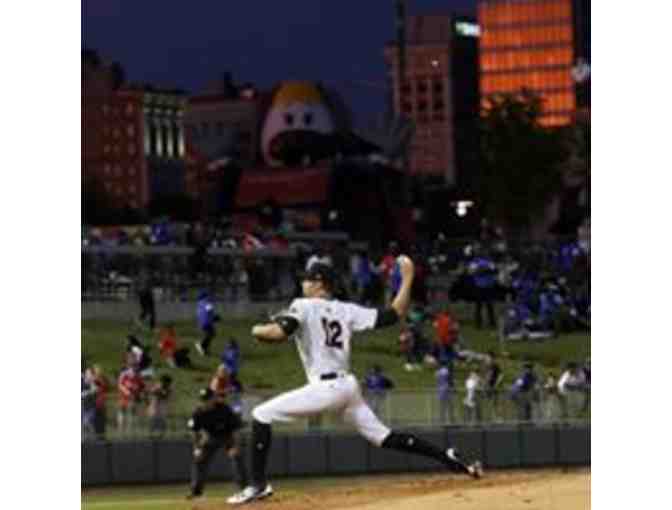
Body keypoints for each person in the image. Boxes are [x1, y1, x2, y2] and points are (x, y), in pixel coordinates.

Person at [227, 258, 483, 505]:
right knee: (384, 436)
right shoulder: (347, 309)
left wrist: (256, 330)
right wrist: (407, 279)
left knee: (261, 414)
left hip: (326, 388)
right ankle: (449, 459)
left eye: (307, 280)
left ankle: (257, 486)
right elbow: (394, 314)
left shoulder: (303, 305)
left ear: (319, 284)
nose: (303, 284)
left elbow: (277, 333)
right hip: (347, 388)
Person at [187, 388, 250, 503]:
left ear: (213, 399)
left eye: (208, 399)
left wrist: (236, 446)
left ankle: (245, 490)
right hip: (210, 437)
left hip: (228, 436)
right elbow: (194, 432)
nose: (205, 402)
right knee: (199, 460)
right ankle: (196, 492)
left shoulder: (224, 409)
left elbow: (236, 429)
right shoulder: (198, 412)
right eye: (203, 400)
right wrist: (197, 448)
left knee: (236, 457)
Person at [468, 250, 497, 329]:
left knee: (489, 306)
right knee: (478, 306)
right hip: (479, 286)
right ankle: (478, 324)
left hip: (488, 286)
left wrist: (483, 270)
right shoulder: (475, 261)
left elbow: (494, 270)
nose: (484, 254)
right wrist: (481, 270)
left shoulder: (489, 261)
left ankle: (492, 323)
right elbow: (471, 272)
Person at [117, 360, 145, 435]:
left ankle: (131, 428)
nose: (136, 368)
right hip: (124, 396)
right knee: (122, 410)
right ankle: (121, 428)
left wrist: (140, 392)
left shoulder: (138, 375)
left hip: (134, 396)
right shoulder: (124, 374)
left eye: (136, 366)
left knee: (133, 411)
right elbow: (120, 384)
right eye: (134, 366)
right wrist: (126, 391)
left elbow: (142, 386)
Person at [195, 290, 220, 356]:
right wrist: (215, 317)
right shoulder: (206, 302)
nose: (209, 296)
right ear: (205, 296)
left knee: (211, 334)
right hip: (207, 321)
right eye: (207, 295)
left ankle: (204, 349)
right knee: (211, 334)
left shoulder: (199, 304)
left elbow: (200, 313)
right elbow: (209, 309)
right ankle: (201, 345)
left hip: (201, 321)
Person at [483, 351, 503, 420]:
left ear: (492, 357)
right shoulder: (485, 365)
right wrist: (484, 383)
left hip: (494, 386)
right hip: (487, 386)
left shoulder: (495, 365)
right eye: (486, 357)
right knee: (487, 402)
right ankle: (489, 417)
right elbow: (485, 376)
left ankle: (498, 417)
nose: (487, 358)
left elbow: (501, 375)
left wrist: (497, 384)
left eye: (488, 357)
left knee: (495, 402)